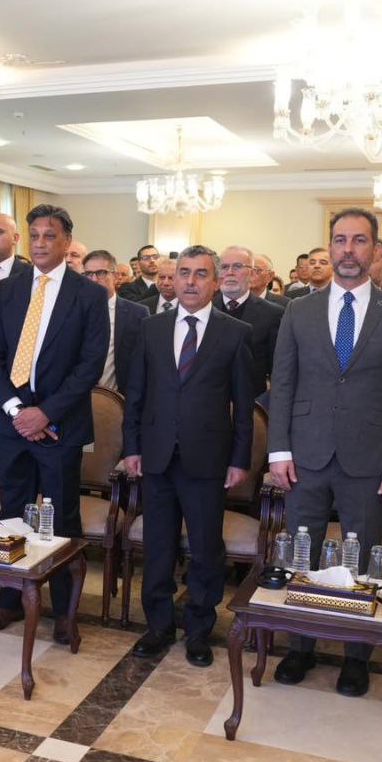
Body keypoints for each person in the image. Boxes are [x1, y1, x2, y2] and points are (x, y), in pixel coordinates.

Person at [268, 207, 382, 697]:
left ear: (375, 250)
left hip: (370, 458)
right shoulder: (299, 310)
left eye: (359, 241)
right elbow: (283, 384)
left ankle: (356, 655)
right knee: (302, 552)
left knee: (362, 558)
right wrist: (278, 450)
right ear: (330, 246)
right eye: (340, 240)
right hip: (306, 453)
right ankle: (300, 646)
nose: (348, 250)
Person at [0, 204, 109, 643]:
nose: (39, 244)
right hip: (13, 424)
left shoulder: (89, 295)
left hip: (60, 426)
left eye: (49, 236)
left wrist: (46, 413)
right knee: (12, 512)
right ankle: (10, 600)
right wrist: (18, 411)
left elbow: (90, 365)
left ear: (66, 242)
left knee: (61, 516)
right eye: (33, 235)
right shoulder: (10, 289)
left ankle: (64, 611)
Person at [122, 245, 255, 665]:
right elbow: (136, 393)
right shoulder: (151, 328)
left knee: (205, 548)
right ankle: (158, 626)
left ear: (215, 282)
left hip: (208, 458)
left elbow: (244, 405)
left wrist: (239, 459)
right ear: (174, 279)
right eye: (184, 273)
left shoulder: (235, 332)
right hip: (157, 455)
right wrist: (131, 448)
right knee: (158, 545)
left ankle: (199, 629)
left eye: (200, 274)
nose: (191, 282)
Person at [216, 246, 283, 394]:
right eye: (224, 267)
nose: (230, 272)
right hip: (209, 402)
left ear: (252, 273)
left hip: (253, 402)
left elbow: (277, 370)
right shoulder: (205, 308)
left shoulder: (272, 314)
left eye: (237, 266)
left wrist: (264, 404)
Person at [82, 249, 147, 394]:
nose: (94, 279)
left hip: (121, 398)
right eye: (88, 274)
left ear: (115, 275)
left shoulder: (137, 313)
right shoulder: (73, 311)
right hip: (79, 399)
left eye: (101, 273)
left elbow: (143, 364)